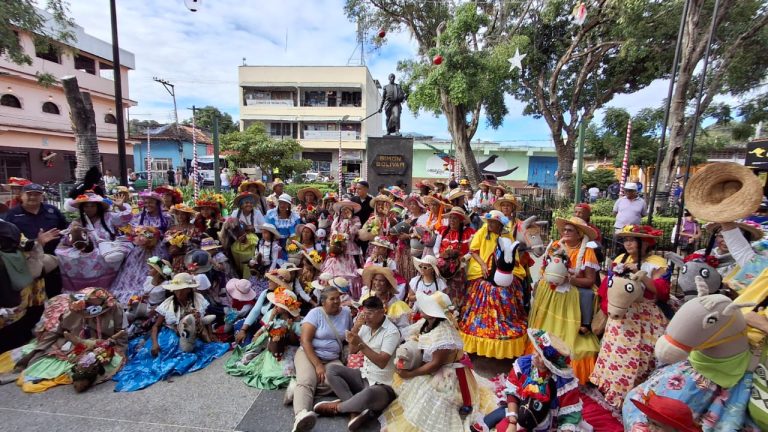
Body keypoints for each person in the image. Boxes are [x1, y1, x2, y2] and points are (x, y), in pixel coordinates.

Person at [380, 291, 497, 431]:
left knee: (432, 397)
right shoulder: (426, 322)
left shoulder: (443, 333)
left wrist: (411, 373)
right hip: (434, 367)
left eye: (427, 306)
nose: (421, 307)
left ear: (433, 312)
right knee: (415, 389)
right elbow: (415, 337)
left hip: (448, 373)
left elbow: (436, 363)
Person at [591, 225, 669, 409]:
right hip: (621, 316)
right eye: (625, 240)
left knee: (639, 357)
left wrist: (641, 276)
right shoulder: (620, 259)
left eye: (632, 240)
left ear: (645, 243)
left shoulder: (656, 263)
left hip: (644, 318)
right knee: (615, 354)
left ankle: (634, 394)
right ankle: (612, 390)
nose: (627, 243)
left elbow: (662, 292)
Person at [113, 273, 229, 392]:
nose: (178, 293)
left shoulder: (198, 299)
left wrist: (210, 334)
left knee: (202, 350)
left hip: (192, 335)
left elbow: (206, 319)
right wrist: (154, 344)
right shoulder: (169, 303)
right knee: (159, 358)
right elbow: (156, 326)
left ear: (188, 289)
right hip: (169, 336)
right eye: (176, 290)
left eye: (181, 290)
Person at [528, 216, 600, 384]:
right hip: (552, 293)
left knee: (587, 296)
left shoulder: (587, 252)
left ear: (580, 234)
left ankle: (583, 327)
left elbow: (590, 281)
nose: (565, 232)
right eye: (564, 230)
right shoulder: (555, 247)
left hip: (572, 294)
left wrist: (568, 280)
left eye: (570, 230)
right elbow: (545, 269)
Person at [470, 329, 586, 432]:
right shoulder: (524, 364)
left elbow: (569, 416)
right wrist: (512, 421)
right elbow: (512, 393)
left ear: (551, 364)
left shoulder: (563, 384)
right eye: (536, 350)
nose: (535, 355)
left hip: (548, 421)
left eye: (541, 356)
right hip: (521, 409)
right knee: (503, 425)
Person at [313, 296, 400, 430]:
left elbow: (382, 362)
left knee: (370, 393)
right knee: (331, 370)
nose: (366, 317)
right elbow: (353, 351)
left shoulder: (391, 332)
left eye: (370, 313)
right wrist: (357, 327)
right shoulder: (365, 326)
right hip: (364, 376)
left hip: (383, 386)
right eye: (364, 313)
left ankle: (338, 408)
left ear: (382, 312)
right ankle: (355, 409)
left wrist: (361, 344)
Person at [461, 210, 527, 359]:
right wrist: (483, 264)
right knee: (481, 288)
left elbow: (512, 258)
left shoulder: (506, 236)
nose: (489, 225)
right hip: (482, 267)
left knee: (509, 287)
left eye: (493, 223)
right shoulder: (482, 231)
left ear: (499, 224)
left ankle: (506, 320)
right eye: (489, 222)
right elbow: (473, 250)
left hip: (501, 270)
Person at [291, 287, 353, 432]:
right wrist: (318, 365)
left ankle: (297, 390)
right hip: (309, 354)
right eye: (332, 299)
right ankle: (301, 415)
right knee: (307, 380)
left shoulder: (346, 313)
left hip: (332, 358)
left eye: (338, 298)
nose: (337, 301)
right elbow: (305, 341)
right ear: (323, 302)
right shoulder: (315, 313)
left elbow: (348, 337)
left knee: (339, 383)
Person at [55, 192, 132, 292]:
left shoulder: (108, 217)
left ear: (98, 207)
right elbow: (67, 240)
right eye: (86, 206)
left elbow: (126, 218)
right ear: (82, 208)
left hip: (105, 255)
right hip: (85, 256)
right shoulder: (77, 222)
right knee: (62, 254)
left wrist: (121, 207)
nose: (89, 209)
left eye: (92, 206)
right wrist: (75, 232)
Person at [4, 183, 66, 255]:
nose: (33, 197)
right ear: (21, 196)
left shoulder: (52, 210)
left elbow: (64, 228)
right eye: (29, 194)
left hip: (56, 253)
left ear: (42, 197)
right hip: (28, 256)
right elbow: (8, 240)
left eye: (37, 194)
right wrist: (36, 242)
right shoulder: (12, 214)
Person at [433, 207, 475, 307]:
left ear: (461, 220)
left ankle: (456, 310)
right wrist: (440, 258)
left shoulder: (468, 232)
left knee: (457, 290)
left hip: (460, 266)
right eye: (450, 218)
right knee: (442, 289)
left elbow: (472, 251)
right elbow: (436, 247)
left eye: (455, 218)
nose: (452, 220)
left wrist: (462, 259)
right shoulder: (443, 231)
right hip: (442, 266)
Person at [351, 180, 373, 255]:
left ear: (366, 189)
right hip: (354, 230)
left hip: (366, 231)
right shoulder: (353, 200)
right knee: (354, 252)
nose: (357, 190)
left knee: (365, 251)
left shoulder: (371, 202)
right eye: (356, 188)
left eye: (359, 189)